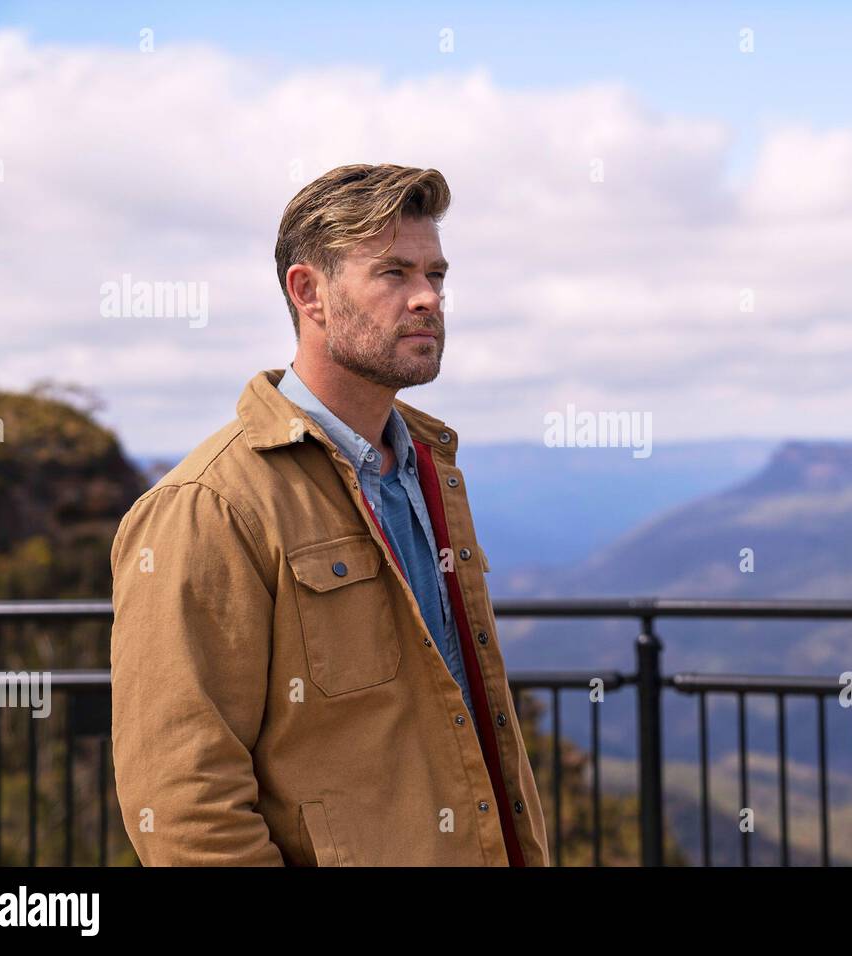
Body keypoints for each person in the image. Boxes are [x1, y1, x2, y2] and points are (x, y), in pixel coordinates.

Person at [109, 163, 549, 866]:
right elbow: (185, 803)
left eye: (437, 275)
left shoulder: (428, 469)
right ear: (309, 292)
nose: (428, 299)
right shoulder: (208, 507)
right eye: (394, 274)